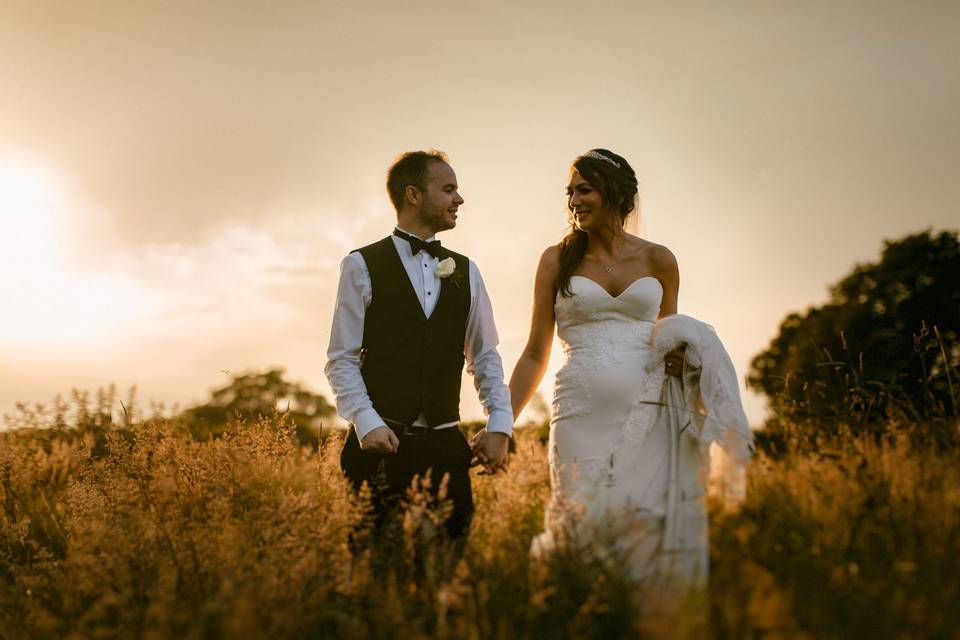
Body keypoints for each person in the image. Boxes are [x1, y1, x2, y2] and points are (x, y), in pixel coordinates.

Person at [509, 148, 752, 585]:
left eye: (584, 190)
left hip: (649, 415)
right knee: (581, 526)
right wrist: (500, 421)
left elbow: (669, 339)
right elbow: (533, 354)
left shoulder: (660, 260)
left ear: (615, 194)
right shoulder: (555, 260)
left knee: (644, 528)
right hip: (579, 417)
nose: (574, 201)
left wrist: (686, 356)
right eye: (570, 192)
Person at [325, 150, 512, 559]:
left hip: (446, 448)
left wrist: (500, 424)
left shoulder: (467, 270)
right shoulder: (361, 265)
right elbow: (341, 358)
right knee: (376, 570)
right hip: (379, 447)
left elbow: (485, 357)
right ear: (413, 194)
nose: (458, 199)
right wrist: (366, 422)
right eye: (448, 190)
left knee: (447, 572)